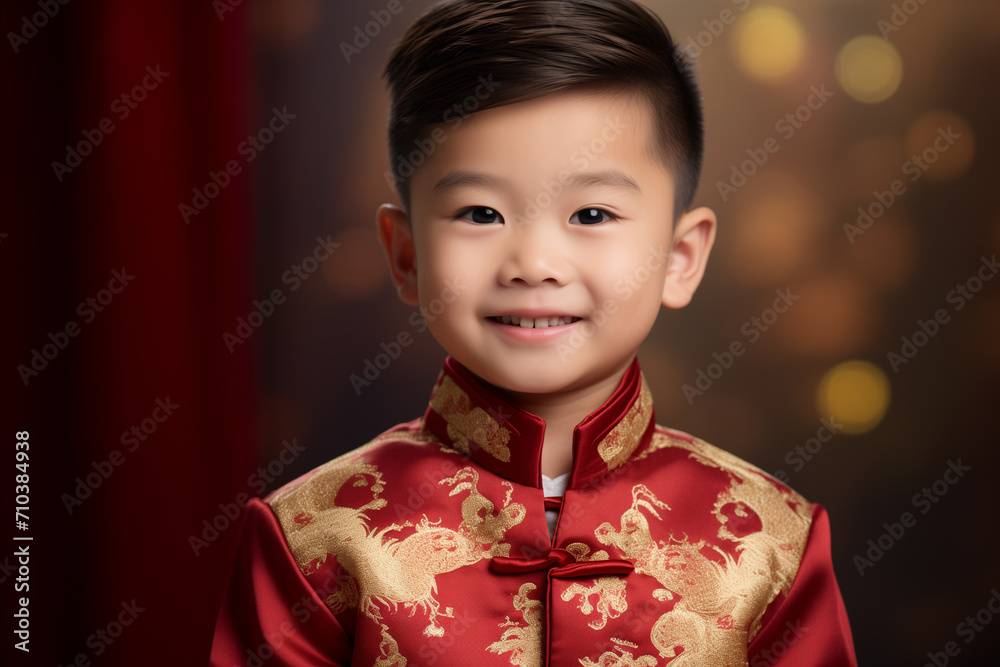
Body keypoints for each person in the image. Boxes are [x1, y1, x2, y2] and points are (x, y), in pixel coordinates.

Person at [210, 1, 857, 664]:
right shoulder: (313, 539)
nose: (534, 265)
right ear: (406, 254)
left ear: (679, 257)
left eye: (593, 212)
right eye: (481, 212)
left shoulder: (772, 544)